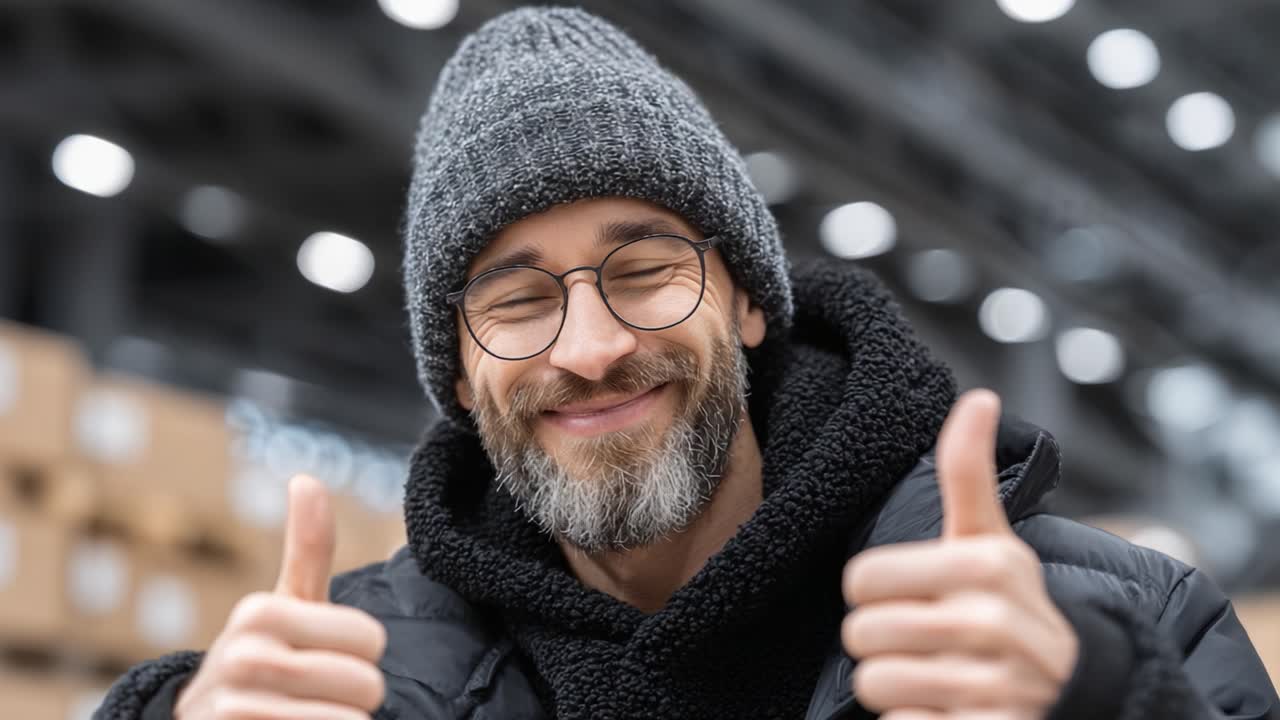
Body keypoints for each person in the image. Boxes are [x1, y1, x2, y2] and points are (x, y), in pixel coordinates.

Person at [95, 7, 1277, 720]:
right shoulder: (349, 687)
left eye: (644, 268)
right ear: (457, 377)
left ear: (749, 303)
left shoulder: (1109, 623)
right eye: (514, 300)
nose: (592, 346)